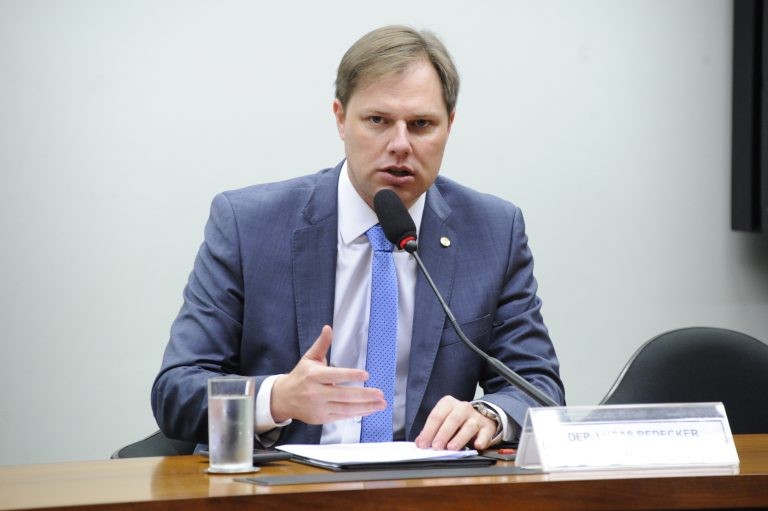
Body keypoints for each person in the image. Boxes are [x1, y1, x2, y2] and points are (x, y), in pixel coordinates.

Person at [151, 25, 564, 452]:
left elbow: (537, 387)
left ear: (450, 125)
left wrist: (489, 415)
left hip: (426, 479)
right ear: (341, 119)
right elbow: (176, 390)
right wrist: (276, 398)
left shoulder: (492, 231)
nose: (400, 144)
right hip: (283, 480)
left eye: (421, 124)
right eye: (378, 121)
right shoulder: (248, 225)